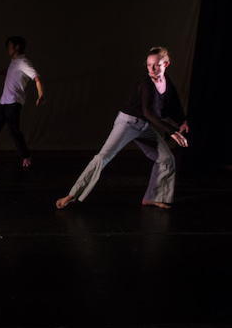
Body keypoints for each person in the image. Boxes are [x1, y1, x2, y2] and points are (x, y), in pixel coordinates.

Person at [55, 47, 189, 209]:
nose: (152, 69)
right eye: (149, 65)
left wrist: (182, 121)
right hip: (128, 123)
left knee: (167, 159)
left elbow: (173, 102)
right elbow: (147, 111)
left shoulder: (167, 80)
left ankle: (153, 197)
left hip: (145, 126)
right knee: (103, 157)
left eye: (156, 65)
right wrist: (172, 131)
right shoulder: (145, 83)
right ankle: (72, 195)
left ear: (166, 64)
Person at [0, 36, 45, 170]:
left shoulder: (23, 62)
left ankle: (26, 156)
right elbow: (7, 71)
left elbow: (37, 78)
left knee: (13, 130)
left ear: (17, 47)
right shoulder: (14, 62)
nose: (8, 49)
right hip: (4, 102)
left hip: (14, 102)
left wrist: (41, 95)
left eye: (10, 46)